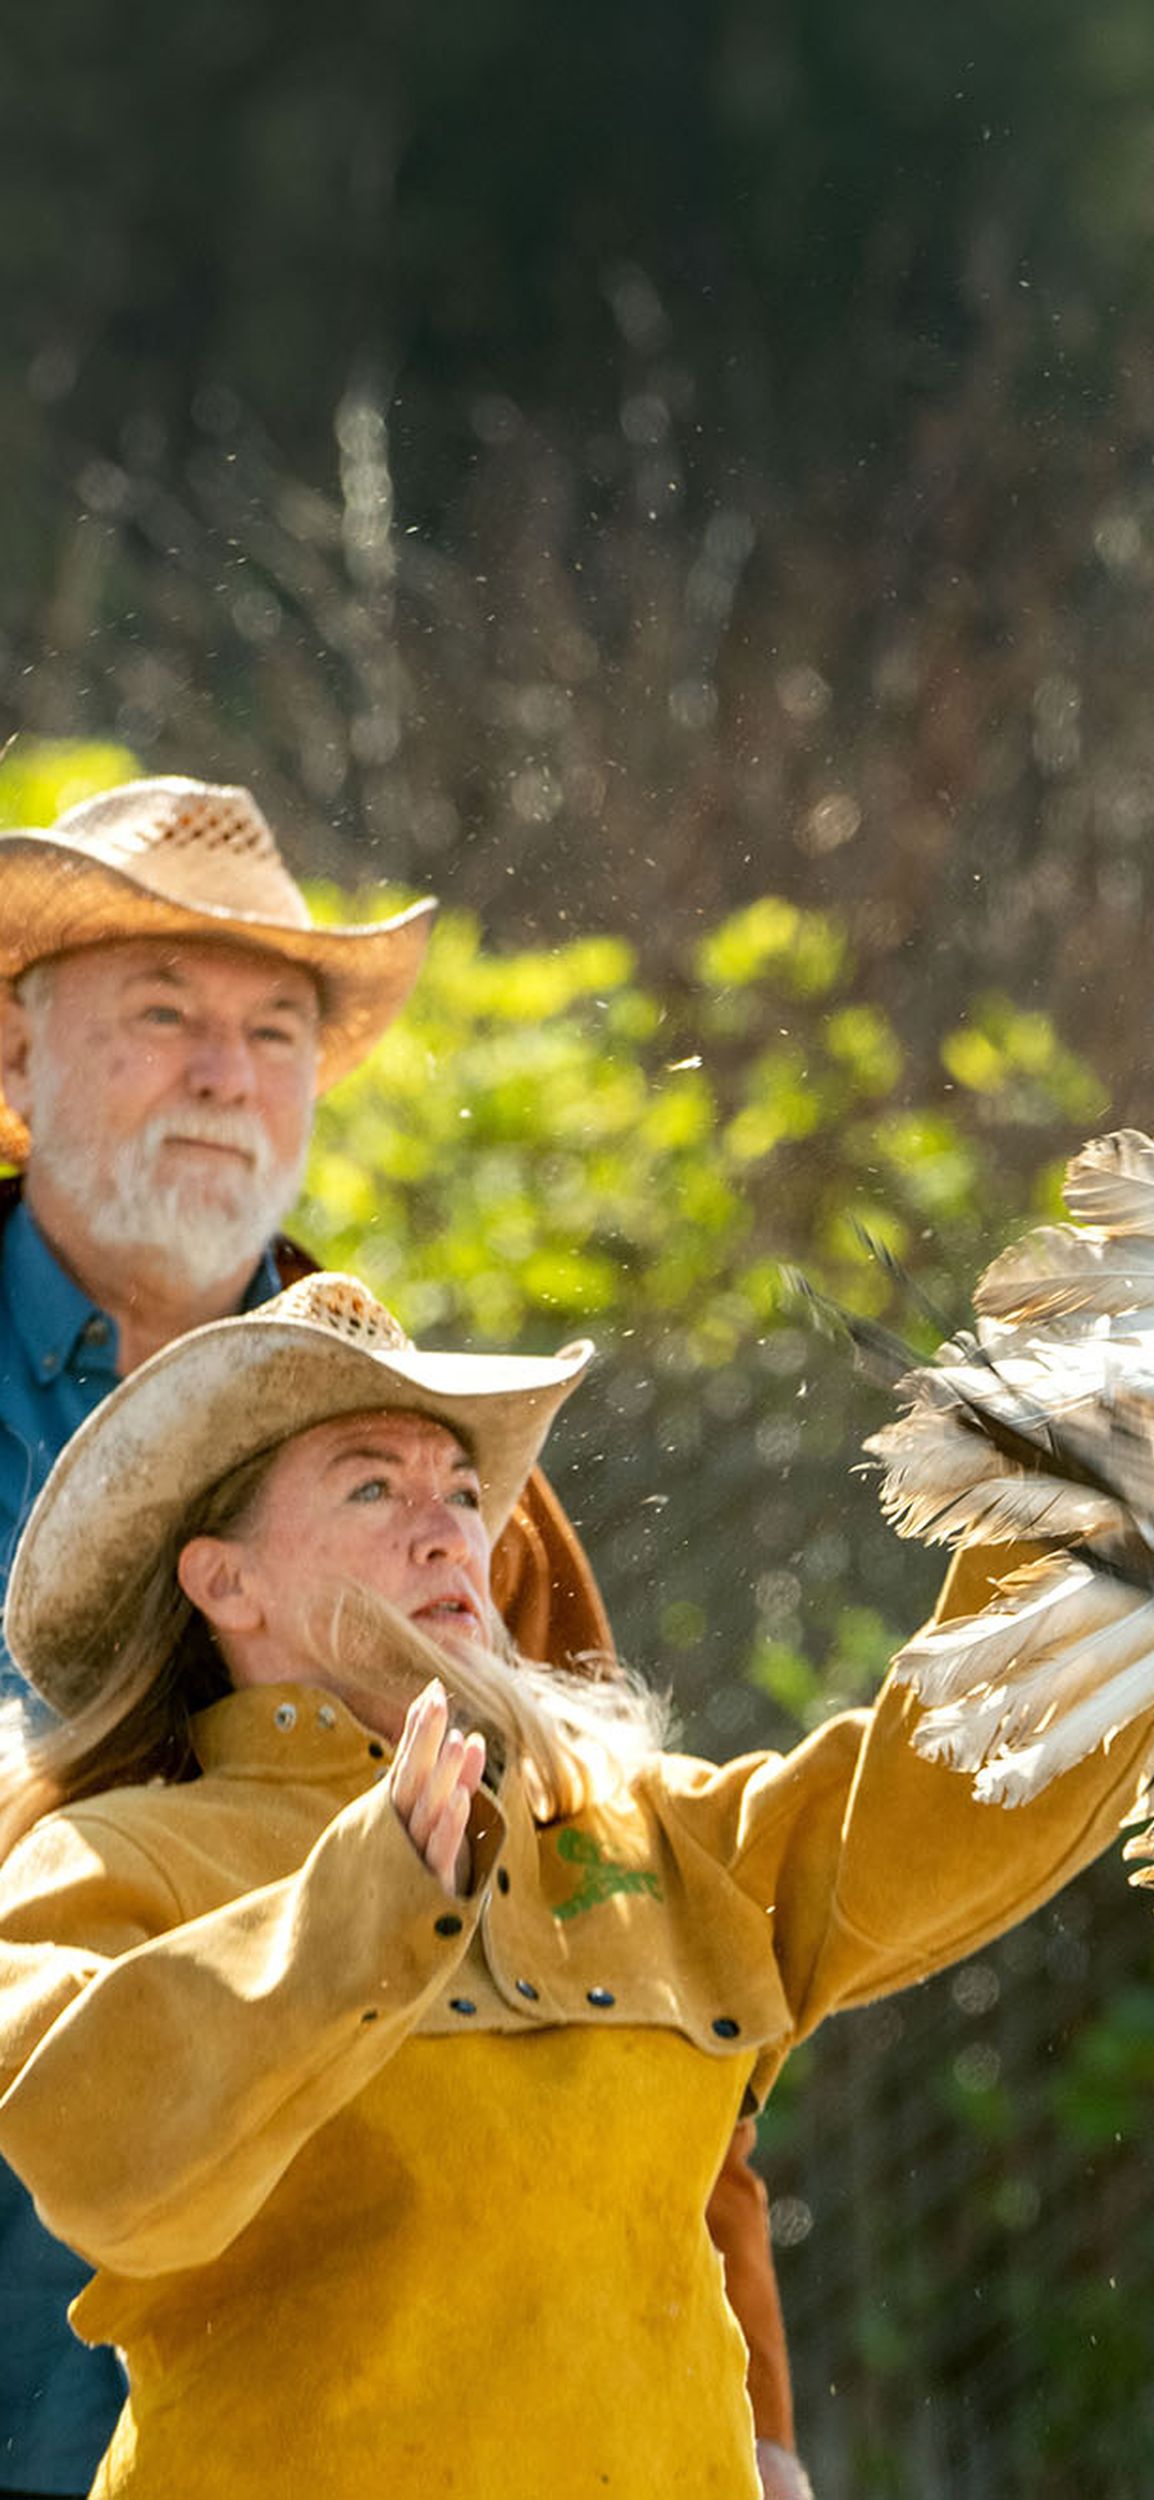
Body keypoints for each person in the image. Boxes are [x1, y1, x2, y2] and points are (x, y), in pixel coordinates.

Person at [0, 1272, 1141, 2496]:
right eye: (374, 1485)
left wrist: (1090, 1478)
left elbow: (954, 1799)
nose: (448, 1529)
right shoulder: (115, 1854)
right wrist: (360, 1910)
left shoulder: (643, 1825)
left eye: (464, 1490)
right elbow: (96, 2160)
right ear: (226, 1583)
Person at [0, 780, 805, 2498]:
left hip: (344, 2426)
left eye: (275, 1030)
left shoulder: (443, 1490)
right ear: (15, 1064)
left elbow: (633, 1922)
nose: (226, 1074)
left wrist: (763, 2427)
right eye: (161, 1015)